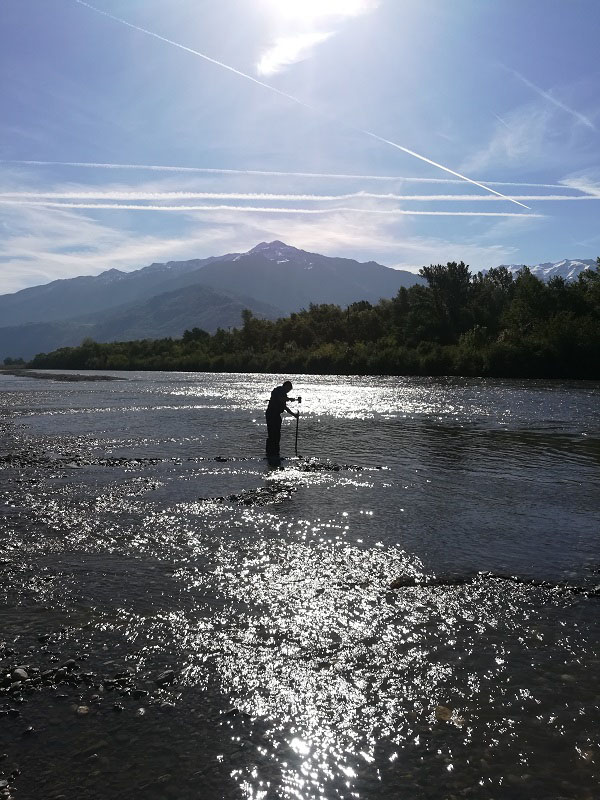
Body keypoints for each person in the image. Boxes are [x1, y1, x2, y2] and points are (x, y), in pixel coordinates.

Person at [265, 380, 299, 457]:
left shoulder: (283, 394)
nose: (288, 391)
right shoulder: (278, 390)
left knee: (277, 435)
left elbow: (284, 407)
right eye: (288, 389)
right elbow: (280, 399)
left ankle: (275, 453)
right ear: (286, 386)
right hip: (271, 414)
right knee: (272, 434)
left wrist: (293, 414)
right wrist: (289, 399)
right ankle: (270, 453)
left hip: (276, 415)